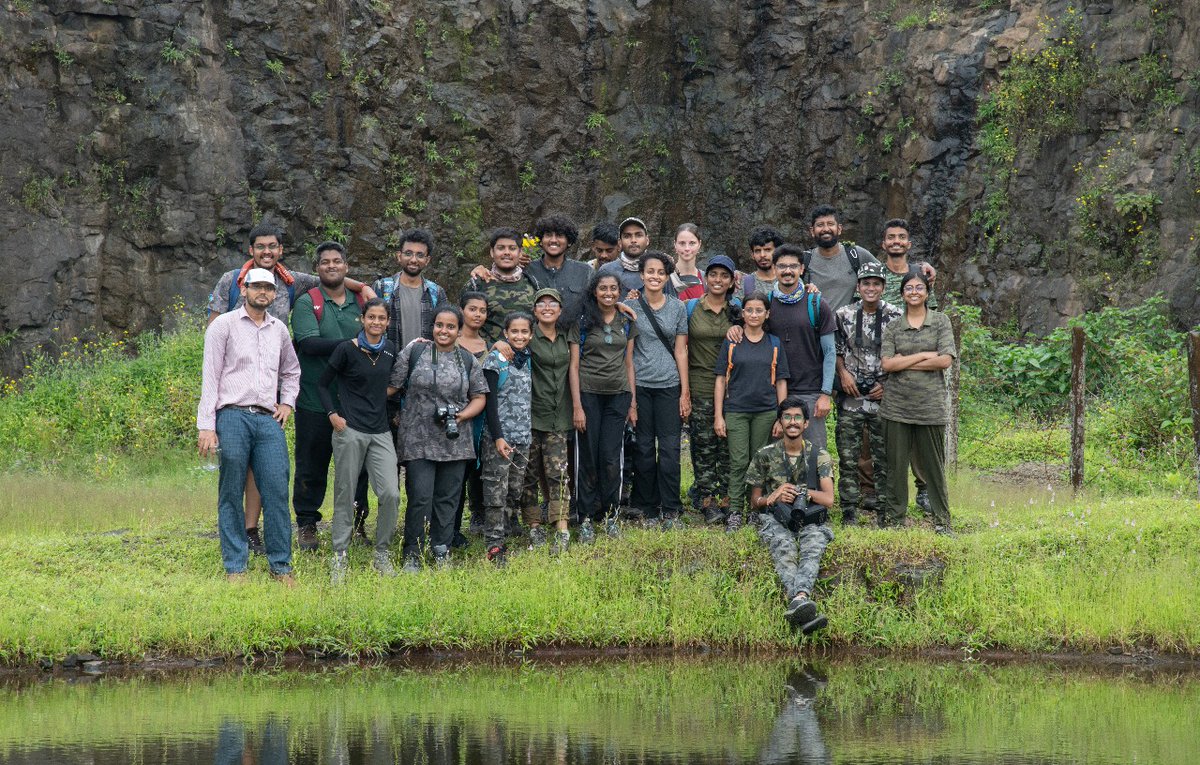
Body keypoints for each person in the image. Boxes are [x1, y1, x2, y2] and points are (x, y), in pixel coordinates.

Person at [206, 223, 373, 553]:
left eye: (273, 246)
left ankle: (253, 531)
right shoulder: (230, 280)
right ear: (251, 250)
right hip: (235, 386)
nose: (267, 252)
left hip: (271, 388)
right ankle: (241, 533)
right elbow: (213, 330)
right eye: (260, 246)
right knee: (237, 466)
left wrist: (364, 288)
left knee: (265, 466)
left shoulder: (292, 281)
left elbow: (332, 277)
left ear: (281, 250)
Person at [197, 267, 301, 585]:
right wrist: (206, 426)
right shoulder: (223, 326)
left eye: (268, 288)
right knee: (231, 490)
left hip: (268, 419)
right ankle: (235, 567)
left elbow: (292, 371)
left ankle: (281, 567)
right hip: (232, 415)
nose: (262, 292)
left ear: (274, 294)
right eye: (257, 287)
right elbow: (210, 376)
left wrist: (287, 403)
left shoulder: (279, 330)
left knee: (277, 490)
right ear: (244, 289)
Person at [389, 305, 488, 571]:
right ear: (432, 327)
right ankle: (413, 552)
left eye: (450, 326)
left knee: (448, 498)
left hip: (455, 439)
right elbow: (392, 386)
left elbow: (479, 397)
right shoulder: (414, 352)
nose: (444, 331)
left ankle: (441, 548)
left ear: (459, 330)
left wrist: (462, 416)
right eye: (439, 325)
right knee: (420, 496)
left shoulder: (467, 360)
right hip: (417, 438)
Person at [290, 241, 371, 552]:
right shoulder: (307, 302)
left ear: (346, 267)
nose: (332, 266)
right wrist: (354, 344)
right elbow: (308, 344)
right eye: (325, 262)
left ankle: (357, 523)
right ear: (317, 268)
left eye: (337, 261)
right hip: (314, 399)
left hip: (355, 400)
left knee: (358, 468)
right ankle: (307, 524)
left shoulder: (360, 302)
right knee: (311, 465)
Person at [317, 299, 401, 582]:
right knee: (346, 492)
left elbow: (391, 384)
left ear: (388, 322)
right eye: (371, 317)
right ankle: (339, 555)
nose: (376, 322)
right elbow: (322, 384)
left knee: (391, 493)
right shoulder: (346, 349)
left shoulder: (390, 350)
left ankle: (382, 553)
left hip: (380, 431)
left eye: (381, 318)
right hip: (350, 430)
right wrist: (332, 415)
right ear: (362, 319)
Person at [745, 397, 835, 634]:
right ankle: (801, 601)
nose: (792, 422)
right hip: (776, 518)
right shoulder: (765, 455)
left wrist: (800, 492)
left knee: (813, 545)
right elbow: (755, 502)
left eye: (797, 417)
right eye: (787, 417)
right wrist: (773, 496)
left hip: (809, 517)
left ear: (806, 423)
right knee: (783, 546)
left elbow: (829, 499)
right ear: (780, 422)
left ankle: (798, 600)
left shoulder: (819, 455)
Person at [735, 245, 836, 452]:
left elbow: (830, 352)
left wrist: (825, 394)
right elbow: (752, 332)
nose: (787, 271)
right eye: (782, 266)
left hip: (810, 392)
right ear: (774, 269)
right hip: (772, 393)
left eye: (793, 266)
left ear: (801, 269)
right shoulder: (767, 304)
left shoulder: (816, 303)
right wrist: (735, 328)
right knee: (775, 456)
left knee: (814, 454)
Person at [880, 272, 956, 534]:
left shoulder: (941, 321)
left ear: (927, 292)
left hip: (930, 407)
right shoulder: (893, 326)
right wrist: (924, 354)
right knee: (895, 467)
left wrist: (904, 361)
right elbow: (887, 364)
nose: (914, 292)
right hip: (896, 407)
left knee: (933, 467)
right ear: (902, 294)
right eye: (909, 288)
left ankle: (942, 522)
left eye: (919, 288)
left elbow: (944, 360)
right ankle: (895, 521)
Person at [569, 272, 638, 542]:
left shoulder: (627, 321)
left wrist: (632, 402)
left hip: (618, 396)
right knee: (587, 457)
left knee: (611, 458)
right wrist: (577, 406)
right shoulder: (582, 321)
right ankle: (585, 518)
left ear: (619, 291)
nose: (608, 293)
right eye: (603, 288)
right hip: (588, 395)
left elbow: (629, 363)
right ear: (594, 291)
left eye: (613, 288)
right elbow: (574, 366)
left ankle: (611, 516)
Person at [624, 251, 690, 529]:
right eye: (650, 271)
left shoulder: (677, 308)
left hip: (669, 386)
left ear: (667, 277)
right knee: (643, 447)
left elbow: (681, 351)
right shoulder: (630, 307)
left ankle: (671, 506)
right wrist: (631, 400)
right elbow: (628, 357)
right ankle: (646, 506)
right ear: (641, 275)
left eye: (660, 272)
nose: (655, 276)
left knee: (671, 448)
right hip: (641, 385)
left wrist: (685, 392)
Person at [715, 292, 790, 531]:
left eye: (759, 310)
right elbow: (720, 380)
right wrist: (718, 416)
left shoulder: (774, 343)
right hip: (736, 410)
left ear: (767, 314)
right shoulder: (732, 342)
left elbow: (781, 382)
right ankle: (735, 511)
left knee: (759, 462)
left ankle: (755, 509)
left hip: (765, 412)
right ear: (743, 313)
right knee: (738, 462)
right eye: (749, 310)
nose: (754, 315)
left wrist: (782, 417)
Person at [834, 263, 902, 526]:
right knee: (847, 456)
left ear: (883, 287)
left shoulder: (896, 316)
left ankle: (884, 510)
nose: (870, 288)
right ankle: (849, 509)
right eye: (866, 283)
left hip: (883, 397)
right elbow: (836, 350)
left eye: (876, 284)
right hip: (851, 396)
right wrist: (843, 374)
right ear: (858, 286)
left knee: (884, 457)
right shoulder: (844, 314)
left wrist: (888, 384)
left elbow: (903, 354)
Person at [684, 255, 741, 525]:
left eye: (724, 276)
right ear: (705, 278)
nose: (718, 280)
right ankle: (707, 500)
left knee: (728, 446)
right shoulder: (691, 308)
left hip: (734, 388)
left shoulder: (738, 310)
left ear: (732, 281)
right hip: (700, 386)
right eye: (713, 275)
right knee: (703, 446)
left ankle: (728, 498)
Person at [480, 312, 535, 564]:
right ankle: (494, 542)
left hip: (522, 436)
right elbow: (489, 402)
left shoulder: (529, 359)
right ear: (505, 333)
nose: (519, 336)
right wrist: (498, 437)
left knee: (514, 488)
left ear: (531, 335)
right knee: (496, 490)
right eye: (514, 331)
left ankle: (507, 529)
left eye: (524, 332)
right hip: (499, 438)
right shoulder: (496, 359)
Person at [522, 289, 573, 552]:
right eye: (541, 304)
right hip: (530, 414)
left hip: (559, 414)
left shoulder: (567, 336)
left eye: (552, 303)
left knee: (558, 473)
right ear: (534, 310)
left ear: (560, 310)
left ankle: (561, 527)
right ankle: (534, 526)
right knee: (529, 473)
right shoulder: (527, 336)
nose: (547, 307)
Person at [372, 227, 450, 349]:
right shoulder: (382, 288)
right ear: (399, 256)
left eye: (420, 255)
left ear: (427, 260)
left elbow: (445, 331)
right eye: (408, 253)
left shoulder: (436, 293)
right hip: (389, 357)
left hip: (425, 359)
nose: (413, 260)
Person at [464, 227, 541, 344]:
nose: (506, 252)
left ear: (520, 252)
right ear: (492, 252)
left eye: (512, 248)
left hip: (527, 352)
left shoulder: (533, 283)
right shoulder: (477, 284)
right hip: (487, 352)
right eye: (501, 248)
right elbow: (462, 324)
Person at [454, 291, 490, 540]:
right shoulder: (448, 340)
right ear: (462, 311)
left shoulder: (491, 344)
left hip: (483, 416)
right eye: (472, 309)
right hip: (456, 416)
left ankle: (479, 513)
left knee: (480, 467)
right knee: (457, 472)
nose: (477, 314)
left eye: (482, 311)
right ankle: (451, 525)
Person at [802, 205, 880, 312]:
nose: (826, 229)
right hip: (815, 322)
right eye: (820, 225)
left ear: (839, 229)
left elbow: (885, 276)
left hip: (850, 321)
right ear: (812, 231)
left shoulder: (856, 255)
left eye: (830, 224)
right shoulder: (804, 260)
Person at [598, 217, 678, 298]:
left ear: (647, 240)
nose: (633, 240)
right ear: (619, 243)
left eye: (638, 235)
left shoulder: (661, 269)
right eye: (627, 236)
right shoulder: (607, 270)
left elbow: (673, 303)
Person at [738, 226, 784, 299]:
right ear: (752, 255)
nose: (762, 255)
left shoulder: (790, 279)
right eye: (757, 251)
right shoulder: (743, 284)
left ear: (778, 252)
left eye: (767, 250)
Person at [670, 223, 706, 300]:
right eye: (682, 243)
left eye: (692, 243)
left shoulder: (706, 280)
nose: (687, 248)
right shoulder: (665, 277)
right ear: (675, 244)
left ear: (699, 244)